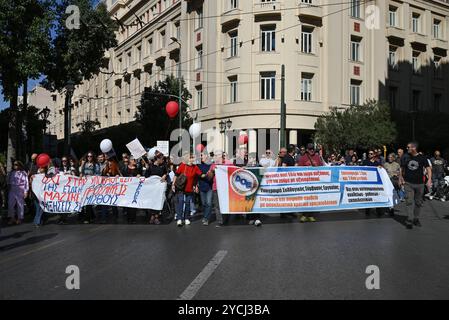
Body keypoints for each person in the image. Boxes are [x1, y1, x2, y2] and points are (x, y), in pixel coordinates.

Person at [399, 142, 432, 230]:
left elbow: (428, 168)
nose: (407, 148)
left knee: (418, 202)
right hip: (408, 183)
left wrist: (429, 180)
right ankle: (409, 219)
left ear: (414, 148)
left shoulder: (422, 158)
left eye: (408, 147)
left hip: (420, 184)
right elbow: (402, 168)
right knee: (409, 201)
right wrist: (400, 178)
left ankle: (416, 218)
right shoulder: (406, 157)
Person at [172, 153, 204, 227]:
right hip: (181, 188)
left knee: (187, 203)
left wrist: (209, 173)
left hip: (189, 188)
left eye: (193, 158)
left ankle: (186, 218)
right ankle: (179, 219)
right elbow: (176, 174)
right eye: (191, 158)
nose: (192, 159)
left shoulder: (195, 167)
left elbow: (200, 174)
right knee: (181, 201)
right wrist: (173, 184)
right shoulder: (183, 165)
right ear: (187, 159)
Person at [297, 143, 325, 223]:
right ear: (307, 150)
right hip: (305, 182)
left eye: (312, 148)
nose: (312, 150)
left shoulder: (317, 157)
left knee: (313, 199)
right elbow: (299, 170)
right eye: (310, 149)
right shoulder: (303, 158)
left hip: (315, 182)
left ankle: (310, 215)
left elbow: (321, 168)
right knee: (305, 199)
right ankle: (304, 215)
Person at [209, 151, 233, 227]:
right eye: (215, 155)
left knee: (225, 204)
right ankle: (220, 221)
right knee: (217, 205)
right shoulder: (213, 165)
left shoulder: (228, 163)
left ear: (222, 156)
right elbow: (209, 177)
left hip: (226, 187)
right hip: (216, 187)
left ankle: (226, 218)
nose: (215, 157)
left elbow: (233, 172)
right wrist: (211, 171)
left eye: (217, 155)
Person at [145, 153, 168, 225]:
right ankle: (152, 216)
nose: (163, 160)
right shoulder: (151, 166)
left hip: (159, 188)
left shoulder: (163, 166)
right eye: (162, 159)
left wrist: (165, 175)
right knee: (152, 202)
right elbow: (146, 176)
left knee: (158, 202)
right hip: (152, 188)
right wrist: (147, 169)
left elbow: (166, 173)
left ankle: (156, 217)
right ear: (157, 159)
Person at [79, 152, 100, 224]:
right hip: (85, 185)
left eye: (91, 156)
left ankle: (87, 218)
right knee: (86, 201)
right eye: (88, 156)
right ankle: (92, 216)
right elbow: (81, 173)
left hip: (91, 185)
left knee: (88, 201)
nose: (89, 157)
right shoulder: (84, 164)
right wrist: (82, 174)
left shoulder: (96, 165)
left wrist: (91, 177)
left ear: (93, 157)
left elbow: (98, 174)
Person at [6, 161, 29, 225]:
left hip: (20, 189)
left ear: (19, 165)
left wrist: (26, 191)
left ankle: (20, 218)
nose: (15, 166)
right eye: (14, 164)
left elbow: (26, 183)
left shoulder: (23, 173)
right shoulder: (11, 173)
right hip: (12, 190)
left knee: (20, 205)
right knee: (10, 204)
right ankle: (12, 218)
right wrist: (8, 188)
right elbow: (8, 181)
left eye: (16, 164)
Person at [122, 156, 141, 224]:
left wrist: (139, 175)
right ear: (130, 161)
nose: (135, 161)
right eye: (133, 160)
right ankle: (128, 218)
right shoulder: (125, 168)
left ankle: (133, 218)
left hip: (134, 189)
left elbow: (140, 175)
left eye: (135, 160)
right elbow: (122, 176)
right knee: (128, 203)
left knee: (133, 203)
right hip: (127, 188)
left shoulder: (137, 168)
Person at [198, 153, 213, 226]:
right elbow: (197, 175)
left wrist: (210, 174)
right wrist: (196, 186)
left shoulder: (211, 165)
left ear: (206, 156)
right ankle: (205, 215)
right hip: (201, 186)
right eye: (200, 155)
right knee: (203, 204)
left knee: (209, 203)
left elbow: (212, 174)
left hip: (209, 187)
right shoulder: (199, 165)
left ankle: (206, 219)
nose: (201, 157)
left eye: (202, 155)